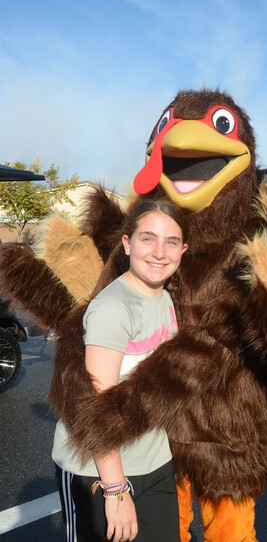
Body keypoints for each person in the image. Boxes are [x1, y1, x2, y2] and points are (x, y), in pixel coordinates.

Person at [52, 198, 188, 542]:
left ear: (183, 250)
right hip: (97, 471)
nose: (159, 252)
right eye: (147, 239)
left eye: (171, 242)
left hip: (154, 464)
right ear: (127, 244)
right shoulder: (114, 308)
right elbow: (95, 407)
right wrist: (115, 489)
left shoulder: (166, 298)